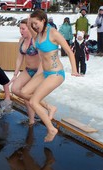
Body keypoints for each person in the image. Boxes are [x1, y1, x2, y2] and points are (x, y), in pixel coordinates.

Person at [22, 10, 79, 142]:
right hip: (45, 73)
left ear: (43, 20)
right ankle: (50, 107)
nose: (34, 26)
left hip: (56, 73)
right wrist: (30, 20)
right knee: (24, 92)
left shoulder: (53, 33)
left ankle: (51, 129)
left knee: (33, 102)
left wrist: (74, 70)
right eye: (33, 24)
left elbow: (70, 52)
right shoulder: (37, 33)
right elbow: (30, 25)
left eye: (37, 23)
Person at [11, 18, 56, 125]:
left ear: (30, 28)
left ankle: (33, 119)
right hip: (28, 70)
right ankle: (45, 108)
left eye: (23, 29)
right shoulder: (21, 40)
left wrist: (37, 76)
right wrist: (15, 74)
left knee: (27, 94)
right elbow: (19, 58)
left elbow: (42, 60)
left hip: (40, 71)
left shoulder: (36, 40)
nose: (21, 31)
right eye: (20, 29)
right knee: (15, 89)